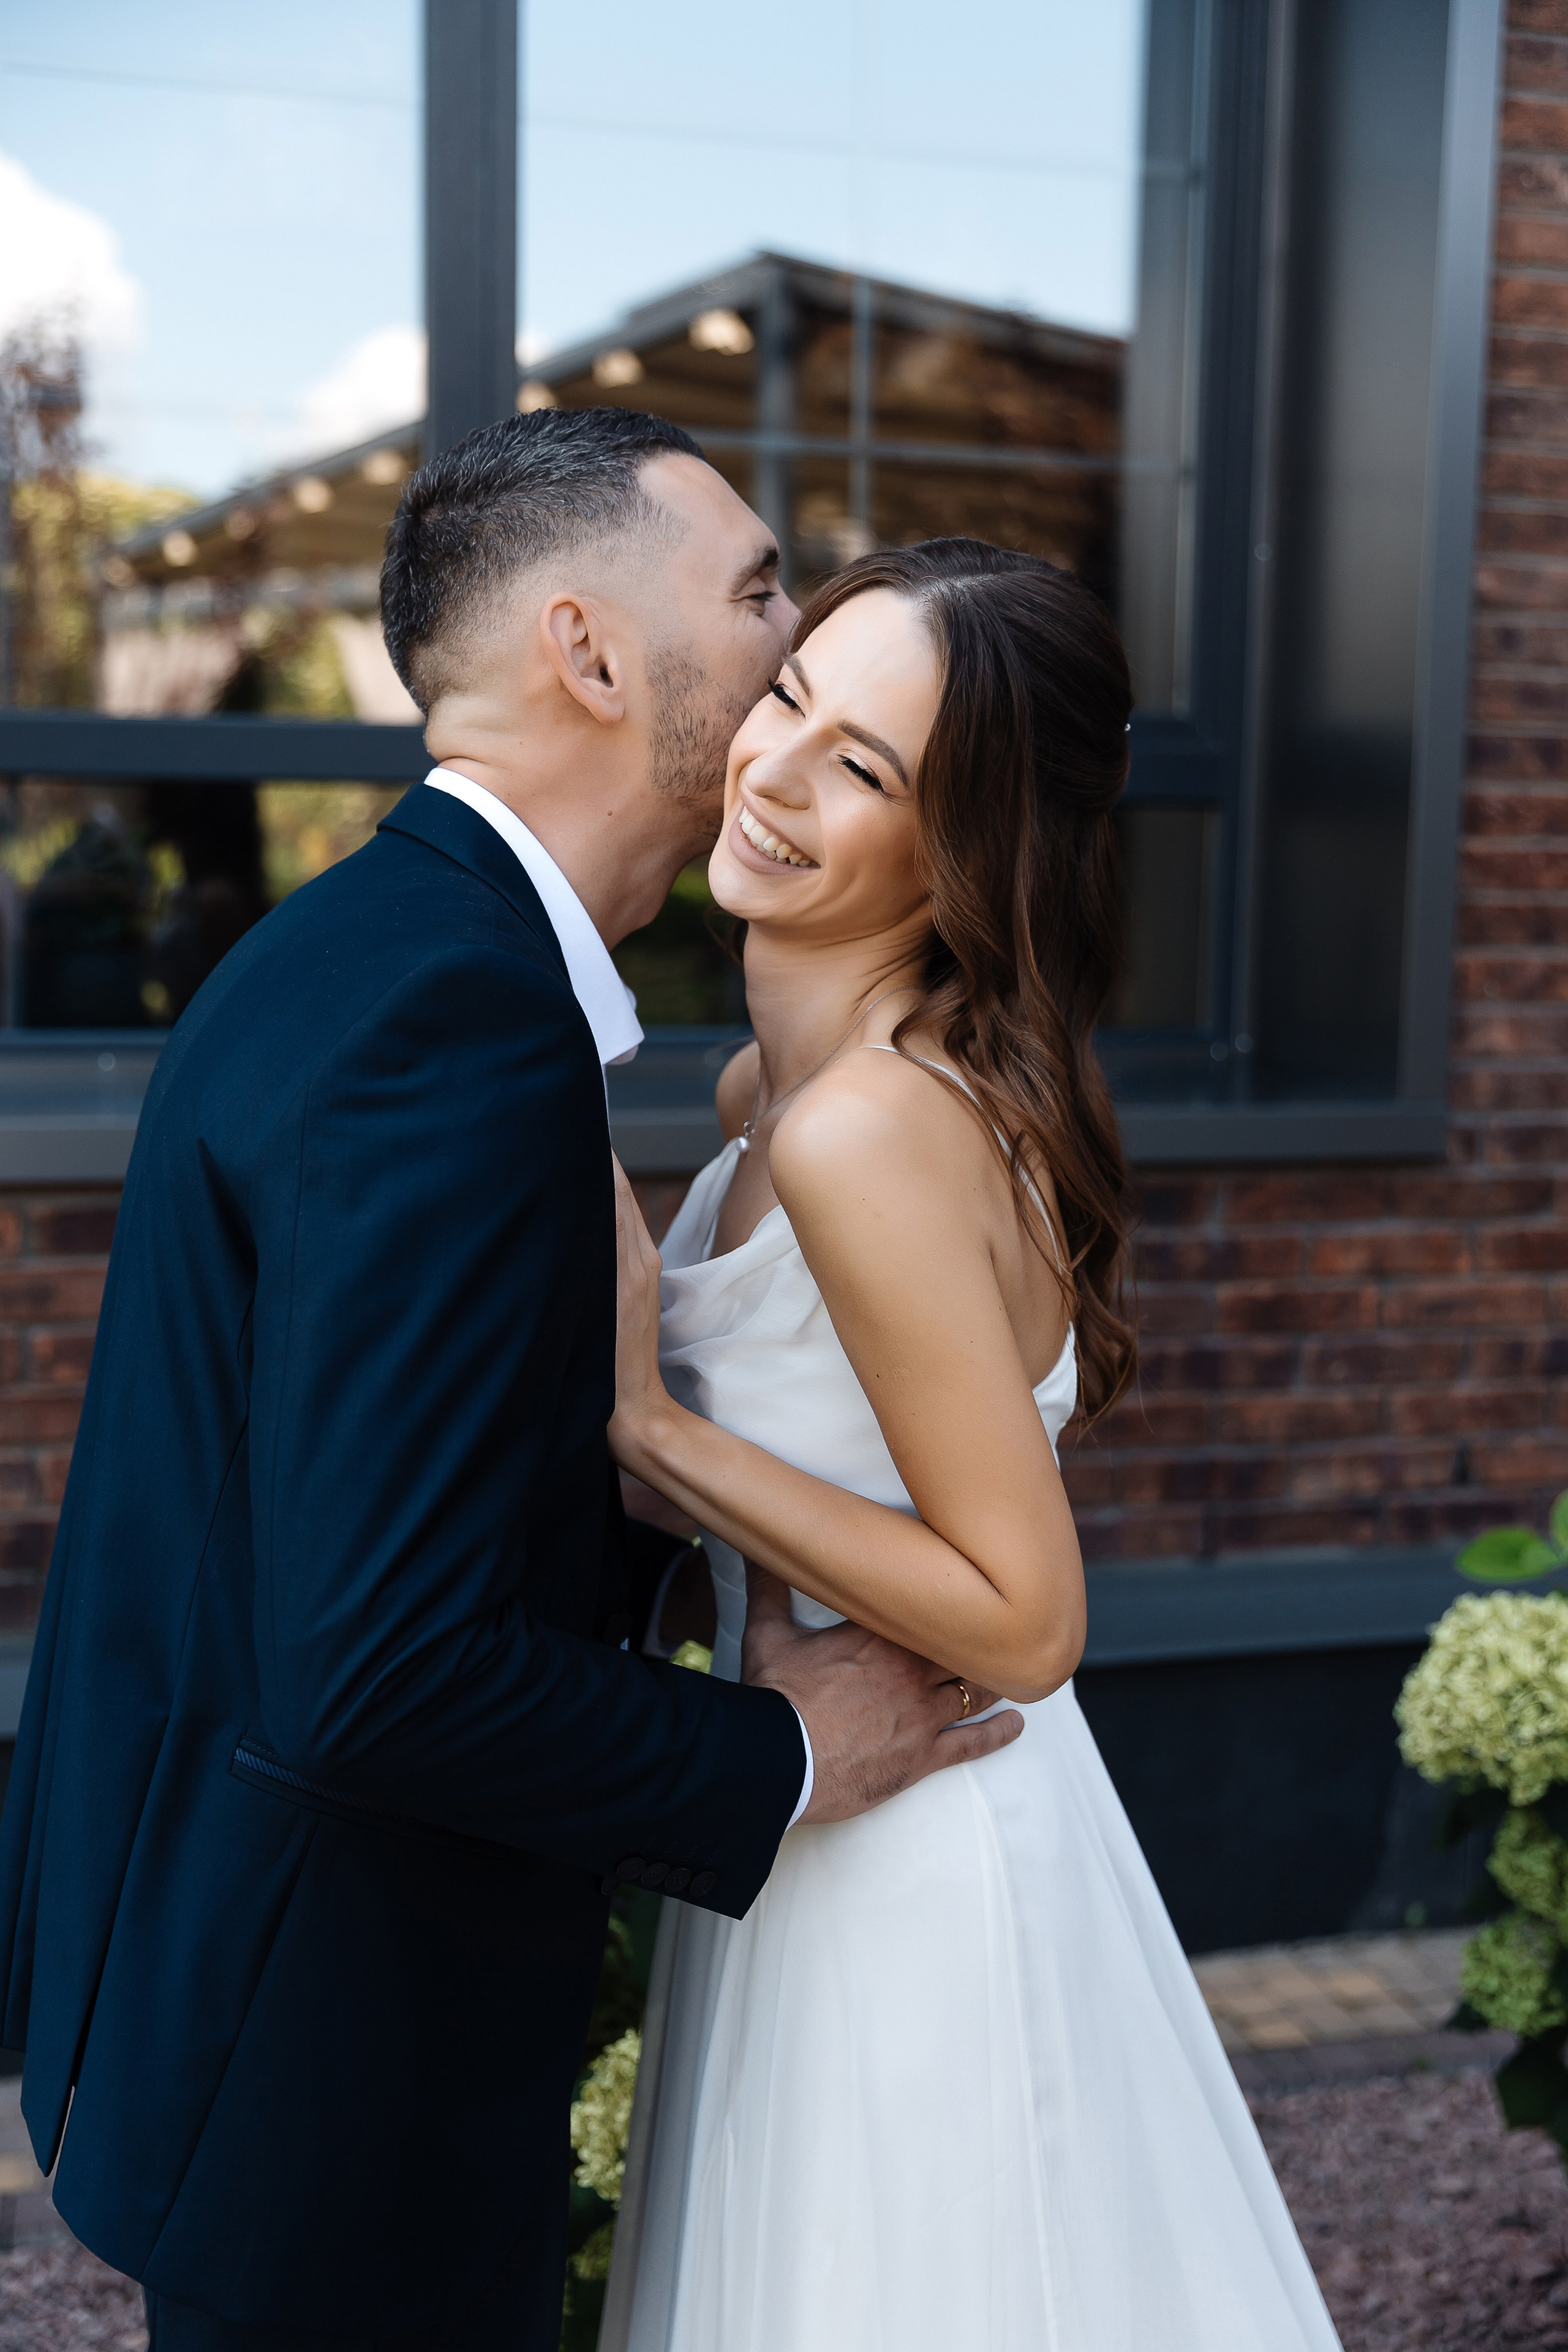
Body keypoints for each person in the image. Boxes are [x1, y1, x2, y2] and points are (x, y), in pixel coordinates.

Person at [0, 412, 1022, 2352]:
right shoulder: (455, 1020)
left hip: (229, 2000)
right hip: (323, 2068)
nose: (790, 630)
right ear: (594, 653)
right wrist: (788, 1754)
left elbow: (328, 1498)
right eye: (753, 592)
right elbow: (380, 1660)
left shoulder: (366, 949)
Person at [600, 541, 1343, 2351]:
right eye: (790, 700)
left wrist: (644, 1424)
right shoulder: (774, 1094)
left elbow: (1024, 1615)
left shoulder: (868, 1127)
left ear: (970, 853)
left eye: (866, 771)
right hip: (826, 1806)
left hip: (922, 1849)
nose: (776, 772)